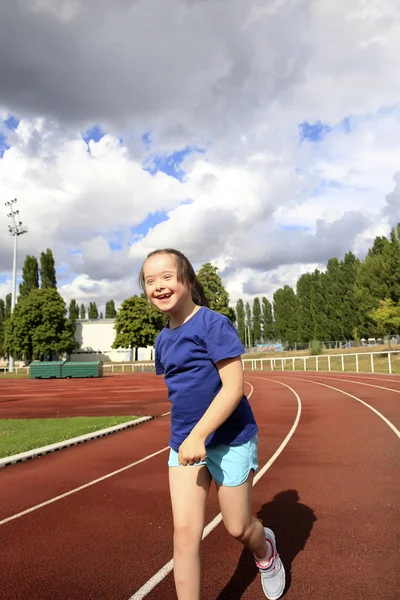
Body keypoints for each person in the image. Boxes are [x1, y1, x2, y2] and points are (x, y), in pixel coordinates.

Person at [139, 248, 285, 600]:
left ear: (187, 280)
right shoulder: (162, 339)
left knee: (238, 527)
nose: (158, 286)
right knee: (185, 533)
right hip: (185, 446)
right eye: (149, 281)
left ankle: (265, 550)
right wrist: (187, 438)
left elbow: (234, 388)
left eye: (167, 277)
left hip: (230, 439)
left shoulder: (212, 324)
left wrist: (200, 434)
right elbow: (184, 390)